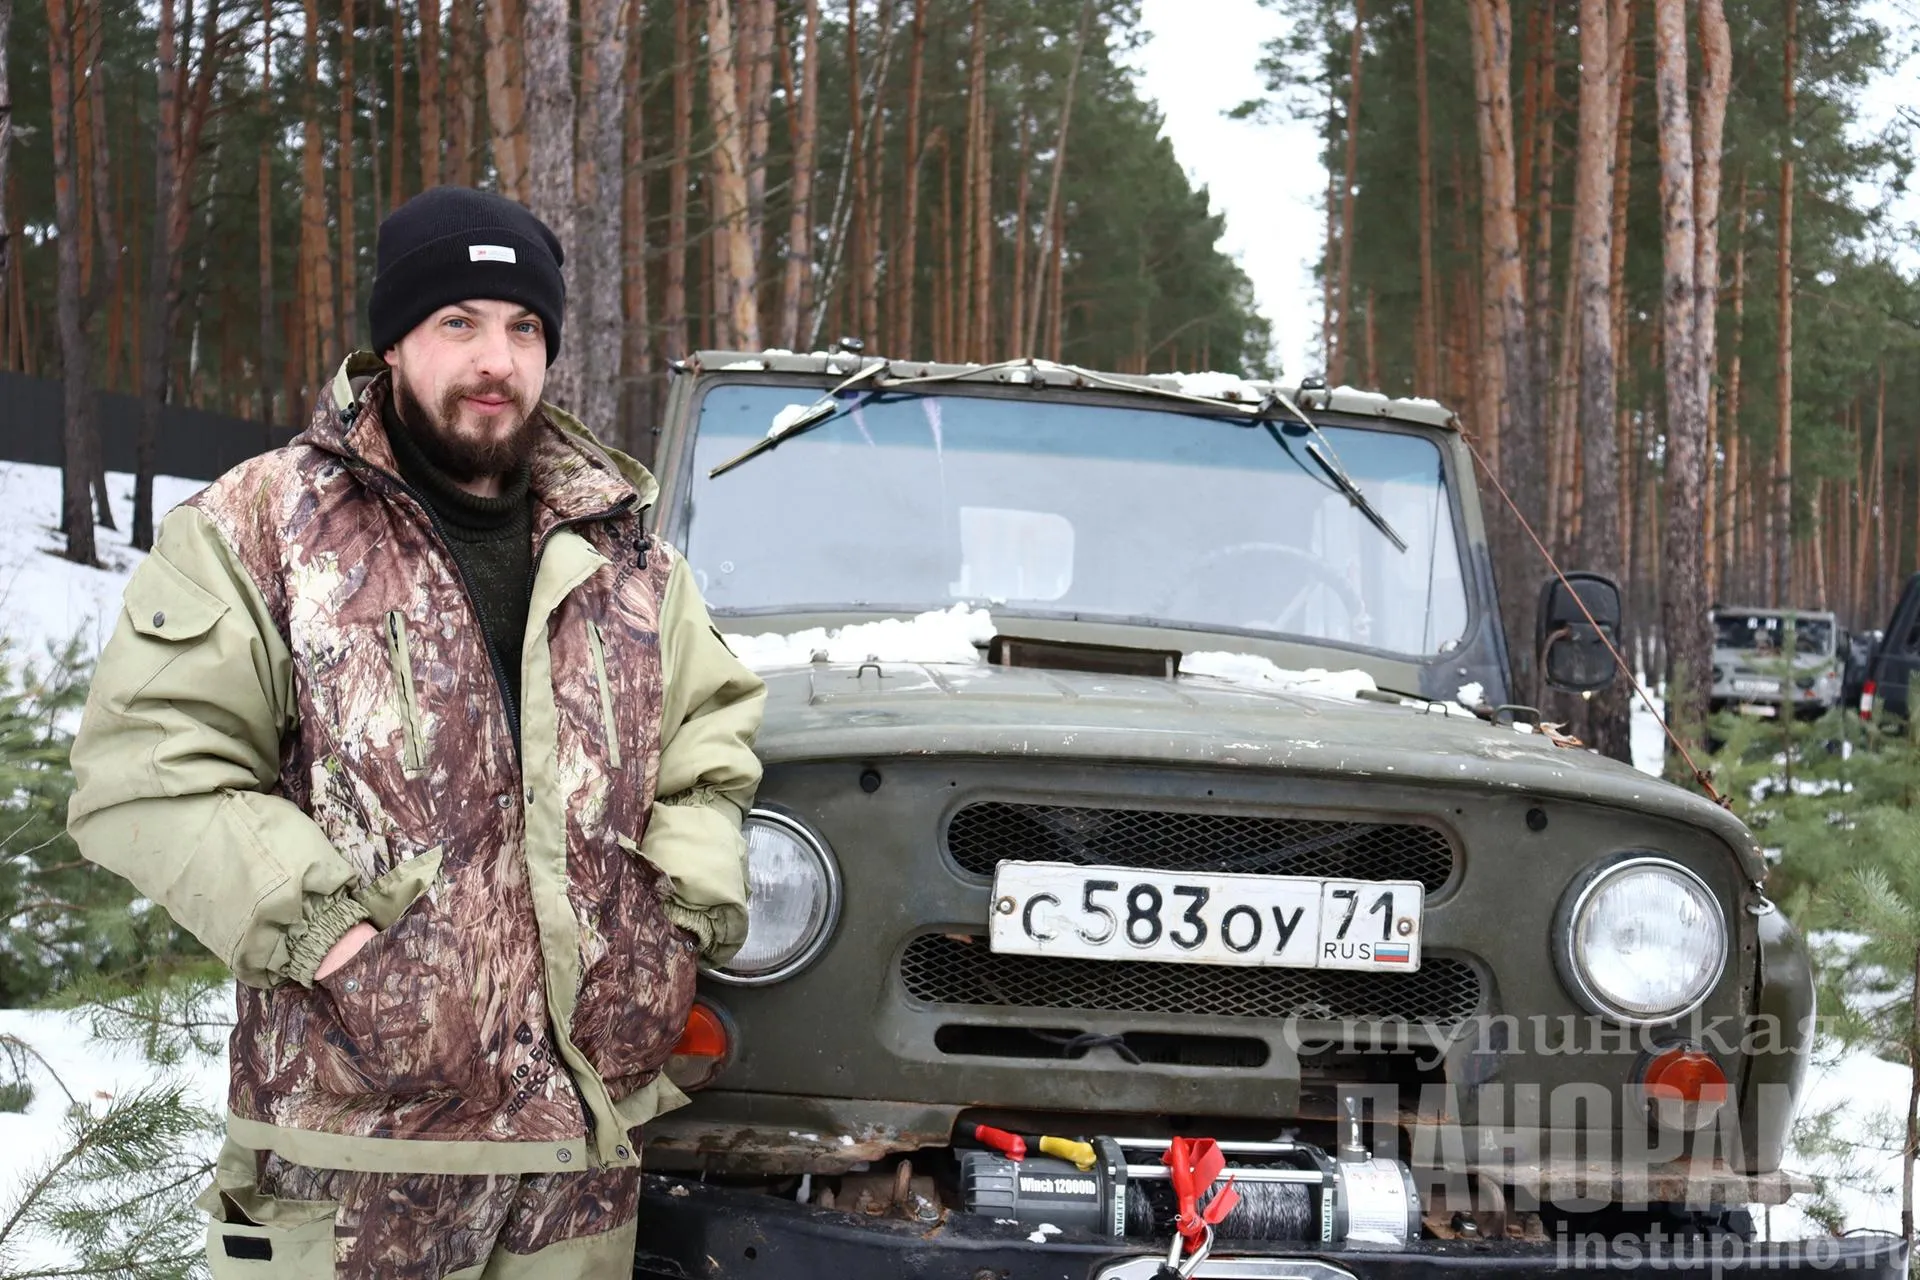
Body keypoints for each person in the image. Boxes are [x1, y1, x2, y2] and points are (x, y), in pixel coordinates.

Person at [66, 186, 766, 1278]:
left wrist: (673, 915)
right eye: (459, 321)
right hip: (356, 1160)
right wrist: (338, 940)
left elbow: (708, 744)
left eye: (524, 327)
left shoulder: (628, 556)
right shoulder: (261, 528)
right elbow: (147, 769)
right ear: (393, 341)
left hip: (579, 1159)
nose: (497, 359)